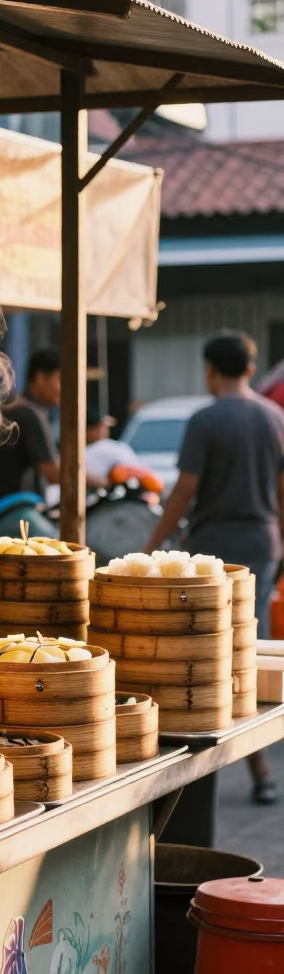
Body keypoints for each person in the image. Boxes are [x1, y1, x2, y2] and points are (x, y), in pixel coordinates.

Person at [144, 331, 284, 805]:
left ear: (209, 370)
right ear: (250, 367)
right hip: (263, 543)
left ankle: (203, 763)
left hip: (212, 553)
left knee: (201, 657)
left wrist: (152, 543)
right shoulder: (275, 418)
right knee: (245, 650)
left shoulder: (206, 419)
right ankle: (258, 766)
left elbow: (183, 491)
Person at [0, 347, 62, 503]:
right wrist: (97, 479)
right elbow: (53, 474)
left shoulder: (15, 407)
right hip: (12, 508)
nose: (64, 389)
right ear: (40, 378)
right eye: (60, 380)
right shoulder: (27, 414)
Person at [84, 407, 140, 487]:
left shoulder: (113, 446)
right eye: (102, 427)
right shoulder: (94, 449)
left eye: (106, 427)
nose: (105, 430)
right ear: (88, 430)